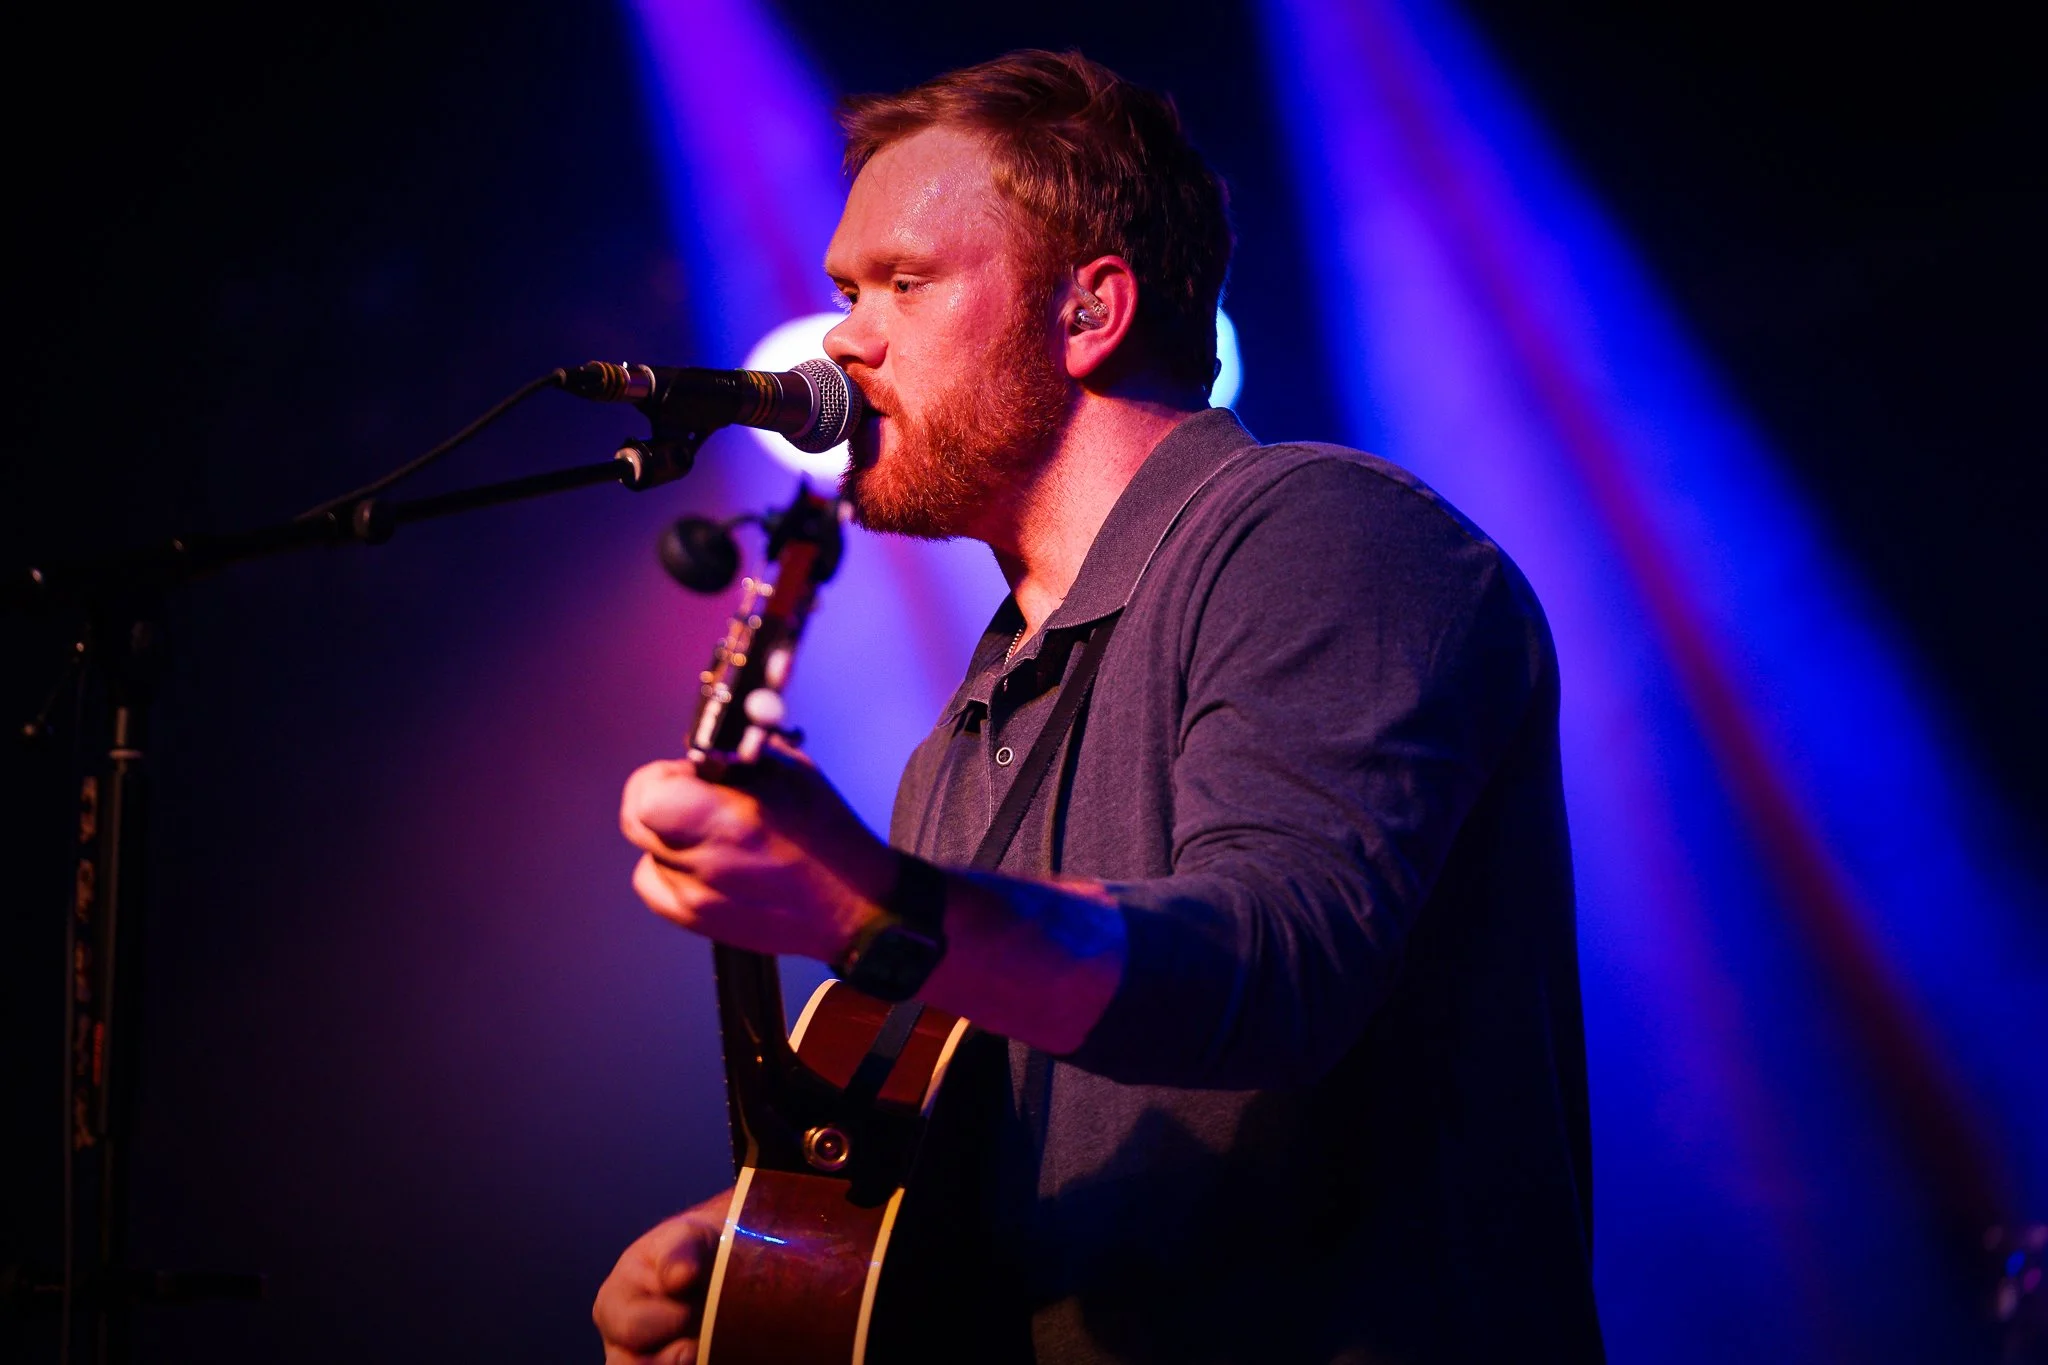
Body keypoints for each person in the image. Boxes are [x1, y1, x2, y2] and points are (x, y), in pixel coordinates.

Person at [595, 50, 1602, 1365]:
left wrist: (877, 907)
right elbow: (984, 1183)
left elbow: (1278, 965)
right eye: (845, 291)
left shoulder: (1327, 533)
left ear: (1089, 312)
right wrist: (765, 1265)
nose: (843, 337)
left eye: (904, 282)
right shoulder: (959, 741)